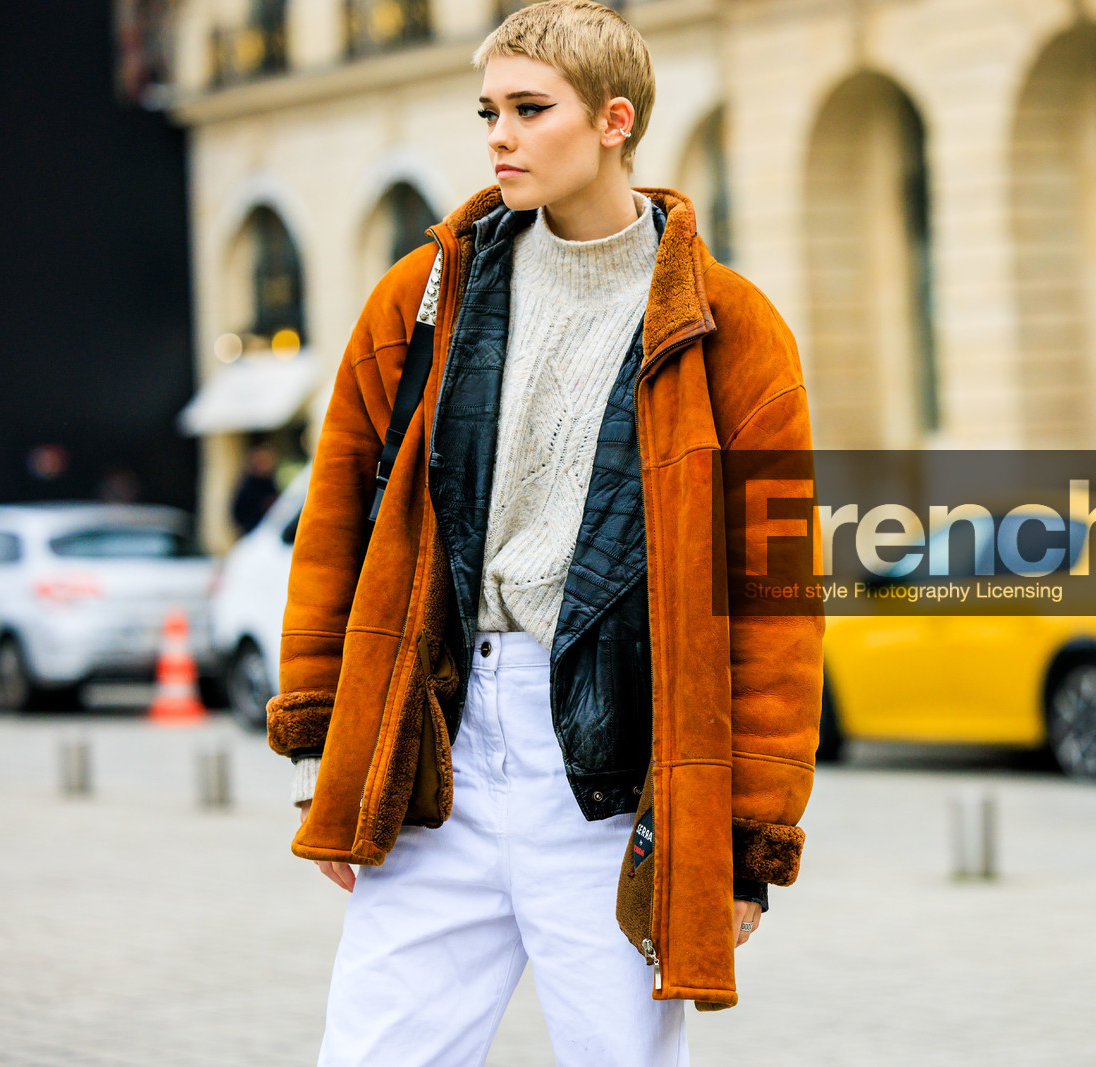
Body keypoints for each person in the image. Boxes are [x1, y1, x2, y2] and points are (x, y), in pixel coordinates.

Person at [263, 3, 824, 1064]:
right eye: (488, 111)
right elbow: (338, 519)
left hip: (613, 775)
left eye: (530, 109)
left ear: (615, 120)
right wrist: (325, 755)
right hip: (441, 750)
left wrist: (745, 847)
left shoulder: (732, 329)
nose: (499, 138)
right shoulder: (424, 296)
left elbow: (773, 600)